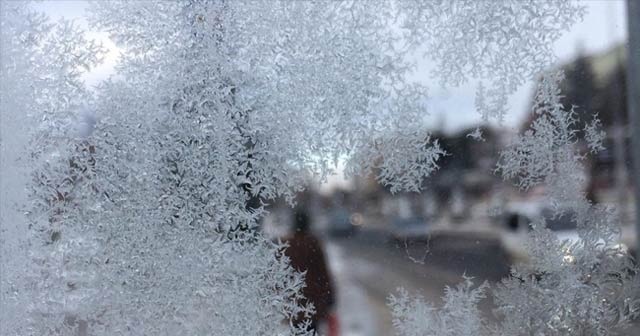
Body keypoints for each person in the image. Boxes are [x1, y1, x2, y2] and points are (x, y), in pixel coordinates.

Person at [283, 207, 336, 334]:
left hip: (293, 303)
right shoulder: (313, 243)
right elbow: (323, 273)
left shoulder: (287, 245)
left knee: (296, 331)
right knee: (311, 331)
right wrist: (330, 298)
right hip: (312, 303)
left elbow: (280, 275)